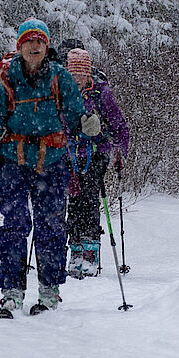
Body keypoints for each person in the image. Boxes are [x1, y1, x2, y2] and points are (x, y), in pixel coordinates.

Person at [0, 18, 95, 317]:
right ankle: (12, 290)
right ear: (20, 46)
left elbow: (77, 113)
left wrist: (87, 124)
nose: (34, 46)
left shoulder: (60, 77)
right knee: (14, 224)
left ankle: (49, 291)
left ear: (46, 46)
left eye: (39, 41)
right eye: (29, 41)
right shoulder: (6, 80)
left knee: (50, 226)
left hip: (51, 162)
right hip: (13, 161)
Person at [64, 46, 130, 278]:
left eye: (81, 75)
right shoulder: (62, 93)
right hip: (70, 156)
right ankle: (75, 250)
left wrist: (119, 150)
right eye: (73, 75)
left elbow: (119, 126)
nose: (78, 80)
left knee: (89, 199)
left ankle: (91, 252)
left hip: (96, 153)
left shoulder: (101, 93)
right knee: (73, 202)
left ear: (88, 74)